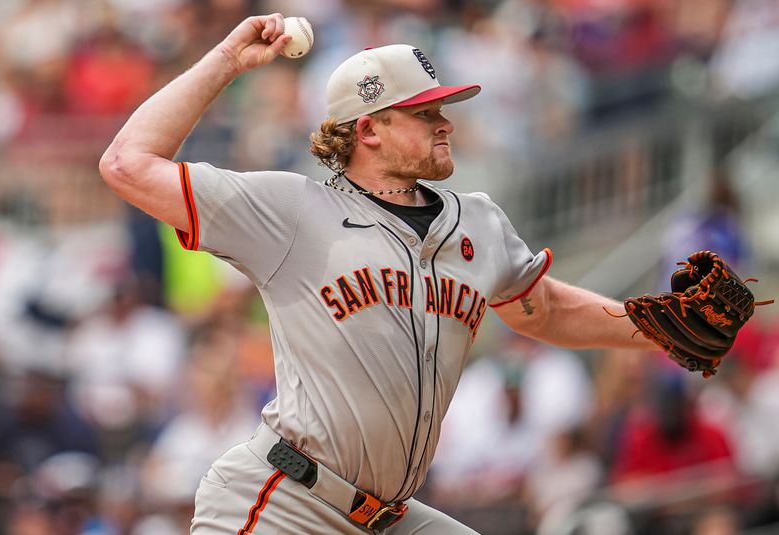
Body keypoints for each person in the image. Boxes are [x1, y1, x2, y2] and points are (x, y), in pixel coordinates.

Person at [99, 13, 656, 535]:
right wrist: (225, 58)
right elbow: (127, 164)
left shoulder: (479, 223)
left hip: (389, 517)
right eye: (425, 114)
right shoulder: (292, 211)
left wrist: (654, 327)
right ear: (368, 130)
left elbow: (547, 310)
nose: (445, 124)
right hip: (286, 504)